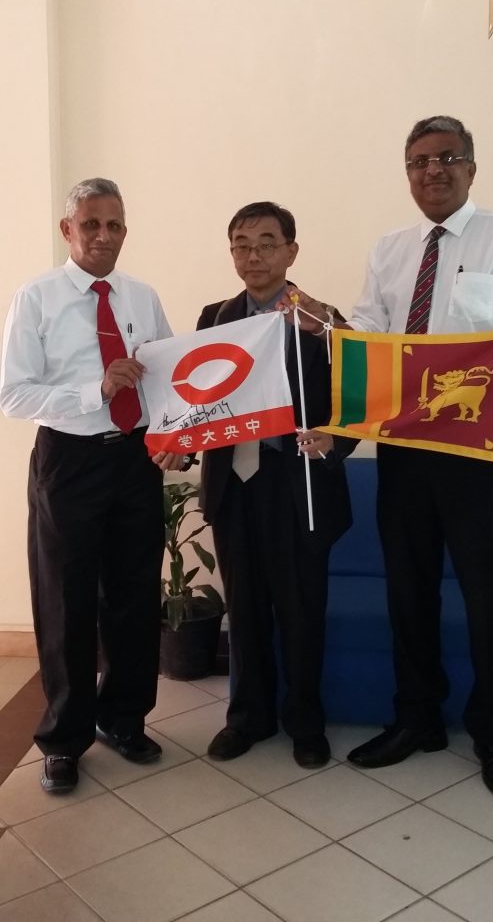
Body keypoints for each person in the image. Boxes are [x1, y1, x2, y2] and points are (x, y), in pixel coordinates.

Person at [280, 116, 493, 796]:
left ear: (472, 167)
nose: (432, 171)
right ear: (407, 173)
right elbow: (370, 339)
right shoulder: (390, 250)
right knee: (407, 588)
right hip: (407, 445)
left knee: (489, 596)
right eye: (418, 161)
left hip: (485, 447)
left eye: (446, 158)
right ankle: (417, 718)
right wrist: (328, 322)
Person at [0, 178, 183, 794]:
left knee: (133, 594)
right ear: (67, 230)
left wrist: (173, 436)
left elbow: (165, 376)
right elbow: (13, 393)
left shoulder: (142, 296)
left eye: (115, 225)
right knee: (65, 600)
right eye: (91, 224)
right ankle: (63, 739)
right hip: (69, 461)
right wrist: (94, 390)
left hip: (134, 457)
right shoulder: (37, 298)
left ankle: (123, 719)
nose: (104, 236)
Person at [197, 201, 354, 768]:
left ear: (291, 251)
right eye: (241, 245)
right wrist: (176, 441)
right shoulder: (214, 318)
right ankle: (248, 717)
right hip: (233, 485)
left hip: (297, 485)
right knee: (244, 610)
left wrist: (336, 441)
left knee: (301, 611)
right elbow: (197, 397)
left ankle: (305, 722)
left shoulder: (322, 319)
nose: (254, 255)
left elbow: (357, 395)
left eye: (267, 243)